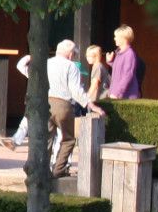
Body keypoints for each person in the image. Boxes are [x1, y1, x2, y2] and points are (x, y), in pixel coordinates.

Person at [46, 39, 87, 177]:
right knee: (69, 139)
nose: (74, 57)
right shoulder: (71, 66)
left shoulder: (46, 63)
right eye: (74, 54)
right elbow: (76, 90)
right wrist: (89, 104)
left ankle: (42, 169)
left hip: (45, 104)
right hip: (63, 105)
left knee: (47, 138)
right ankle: (58, 169)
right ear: (70, 54)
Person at [108, 24, 143, 99]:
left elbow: (127, 75)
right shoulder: (119, 53)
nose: (114, 39)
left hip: (125, 96)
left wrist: (116, 93)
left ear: (124, 38)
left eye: (116, 36)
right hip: (117, 95)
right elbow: (119, 70)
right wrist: (110, 61)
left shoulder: (129, 54)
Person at [83, 44, 110, 118]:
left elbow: (95, 83)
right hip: (103, 98)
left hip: (99, 99)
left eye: (89, 56)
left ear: (96, 56)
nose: (87, 58)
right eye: (86, 56)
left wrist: (87, 96)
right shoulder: (99, 66)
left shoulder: (97, 67)